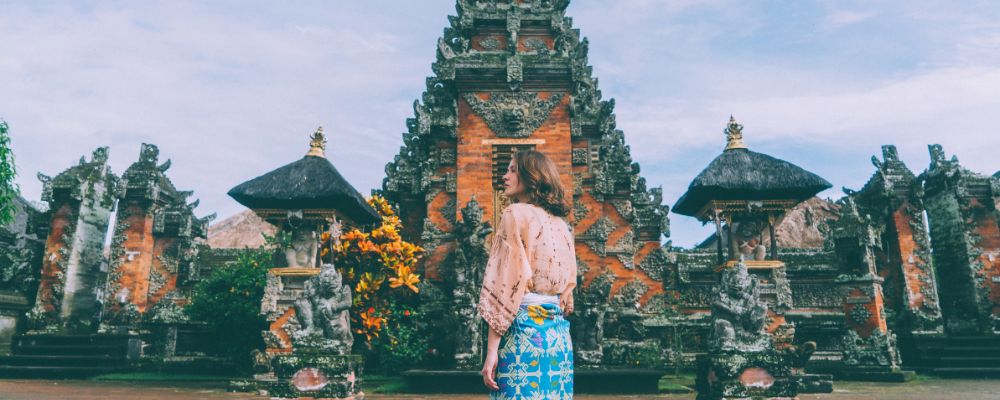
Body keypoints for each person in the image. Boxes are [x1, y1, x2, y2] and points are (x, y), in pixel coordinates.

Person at [478, 150, 577, 398]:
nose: (505, 176)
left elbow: (506, 283)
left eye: (512, 170)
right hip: (558, 341)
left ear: (531, 176)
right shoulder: (562, 225)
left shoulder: (515, 213)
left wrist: (491, 351)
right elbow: (568, 289)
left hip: (524, 336)